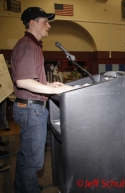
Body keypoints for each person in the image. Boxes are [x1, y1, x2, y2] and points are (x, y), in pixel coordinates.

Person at [11, 7, 75, 193]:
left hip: (29, 107)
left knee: (26, 157)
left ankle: (22, 188)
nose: (49, 25)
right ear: (33, 23)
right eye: (45, 21)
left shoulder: (31, 45)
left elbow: (30, 79)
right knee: (33, 162)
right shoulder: (28, 46)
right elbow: (23, 81)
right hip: (32, 110)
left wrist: (49, 84)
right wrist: (48, 89)